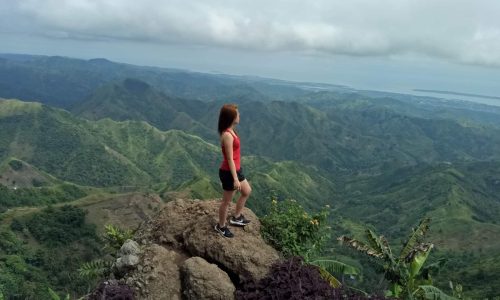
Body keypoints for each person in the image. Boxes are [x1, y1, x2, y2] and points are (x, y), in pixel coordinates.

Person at [215, 104, 252, 238]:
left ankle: (236, 217)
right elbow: (229, 159)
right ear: (231, 117)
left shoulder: (232, 131)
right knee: (226, 201)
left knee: (246, 191)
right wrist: (235, 178)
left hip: (236, 169)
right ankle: (221, 226)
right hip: (229, 172)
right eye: (237, 114)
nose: (239, 115)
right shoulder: (227, 135)